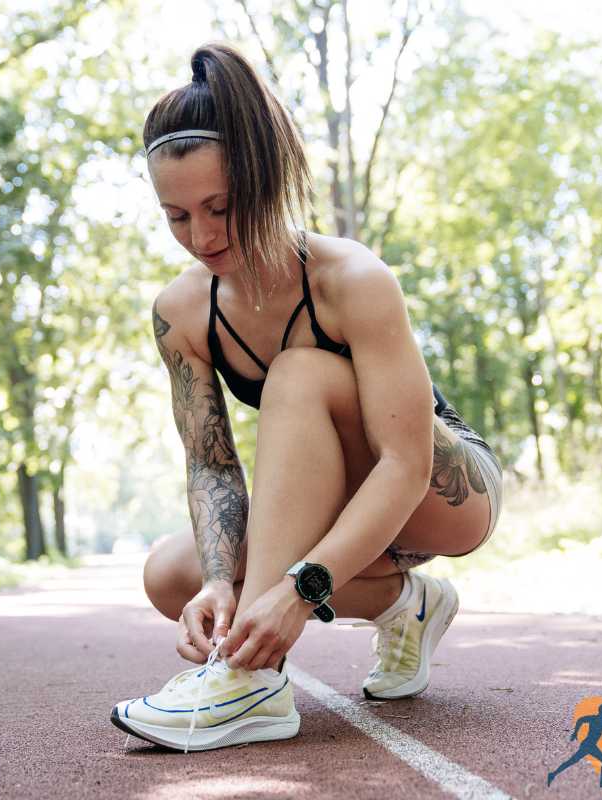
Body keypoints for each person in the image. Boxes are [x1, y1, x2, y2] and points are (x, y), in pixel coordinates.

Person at [110, 42, 503, 753]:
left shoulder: (352, 278)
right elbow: (211, 465)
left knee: (297, 373)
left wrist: (300, 590)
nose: (201, 236)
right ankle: (405, 605)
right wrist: (223, 583)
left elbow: (405, 463)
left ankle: (250, 685)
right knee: (174, 575)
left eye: (220, 207)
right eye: (177, 216)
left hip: (439, 493)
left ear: (263, 183)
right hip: (341, 514)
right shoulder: (181, 313)